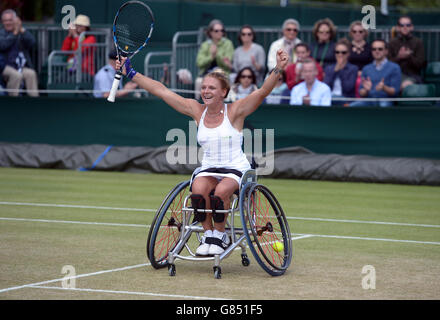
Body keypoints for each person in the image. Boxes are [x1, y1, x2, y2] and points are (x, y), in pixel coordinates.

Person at [116, 49, 289, 255]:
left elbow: (262, 92)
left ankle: (220, 235)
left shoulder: (236, 110)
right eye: (204, 87)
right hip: (209, 168)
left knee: (221, 193)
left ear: (223, 92)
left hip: (235, 168)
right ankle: (209, 235)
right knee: (197, 191)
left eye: (212, 88)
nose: (206, 91)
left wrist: (278, 68)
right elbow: (161, 91)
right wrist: (131, 72)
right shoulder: (196, 110)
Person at [350, 39, 401, 107]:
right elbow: (361, 93)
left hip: (386, 100)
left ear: (386, 51)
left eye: (380, 49)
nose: (377, 51)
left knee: (383, 105)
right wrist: (366, 90)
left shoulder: (394, 67)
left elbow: (395, 91)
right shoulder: (366, 68)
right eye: (374, 49)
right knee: (352, 106)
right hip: (369, 100)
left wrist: (384, 88)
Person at [0, 9, 39, 97]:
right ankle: (13, 103)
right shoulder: (1, 33)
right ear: (2, 22)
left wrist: (21, 29)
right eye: (5, 21)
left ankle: (34, 103)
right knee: (16, 75)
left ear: (15, 20)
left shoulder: (20, 32)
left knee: (31, 74)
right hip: (5, 66)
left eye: (10, 20)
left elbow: (32, 42)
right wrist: (15, 33)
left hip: (20, 66)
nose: (8, 23)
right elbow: (3, 45)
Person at [195, 19, 234, 99]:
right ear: (210, 32)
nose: (220, 32)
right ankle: (199, 104)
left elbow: (227, 62)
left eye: (221, 30)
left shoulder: (228, 43)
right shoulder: (205, 45)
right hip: (206, 73)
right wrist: (211, 57)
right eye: (216, 31)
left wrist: (216, 54)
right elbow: (199, 63)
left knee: (222, 83)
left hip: (223, 74)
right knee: (198, 81)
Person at [388, 16, 426, 90]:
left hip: (413, 76)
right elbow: (387, 64)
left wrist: (409, 56)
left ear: (412, 27)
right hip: (394, 76)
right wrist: (399, 57)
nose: (405, 27)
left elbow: (420, 64)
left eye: (408, 25)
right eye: (402, 25)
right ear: (398, 27)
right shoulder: (392, 43)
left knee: (405, 85)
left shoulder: (418, 42)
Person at [323, 39, 358, 105]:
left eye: (343, 52)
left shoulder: (353, 68)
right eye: (337, 52)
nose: (340, 54)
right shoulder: (329, 68)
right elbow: (326, 87)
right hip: (329, 99)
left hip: (346, 99)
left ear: (348, 54)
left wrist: (341, 70)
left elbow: (348, 88)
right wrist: (334, 72)